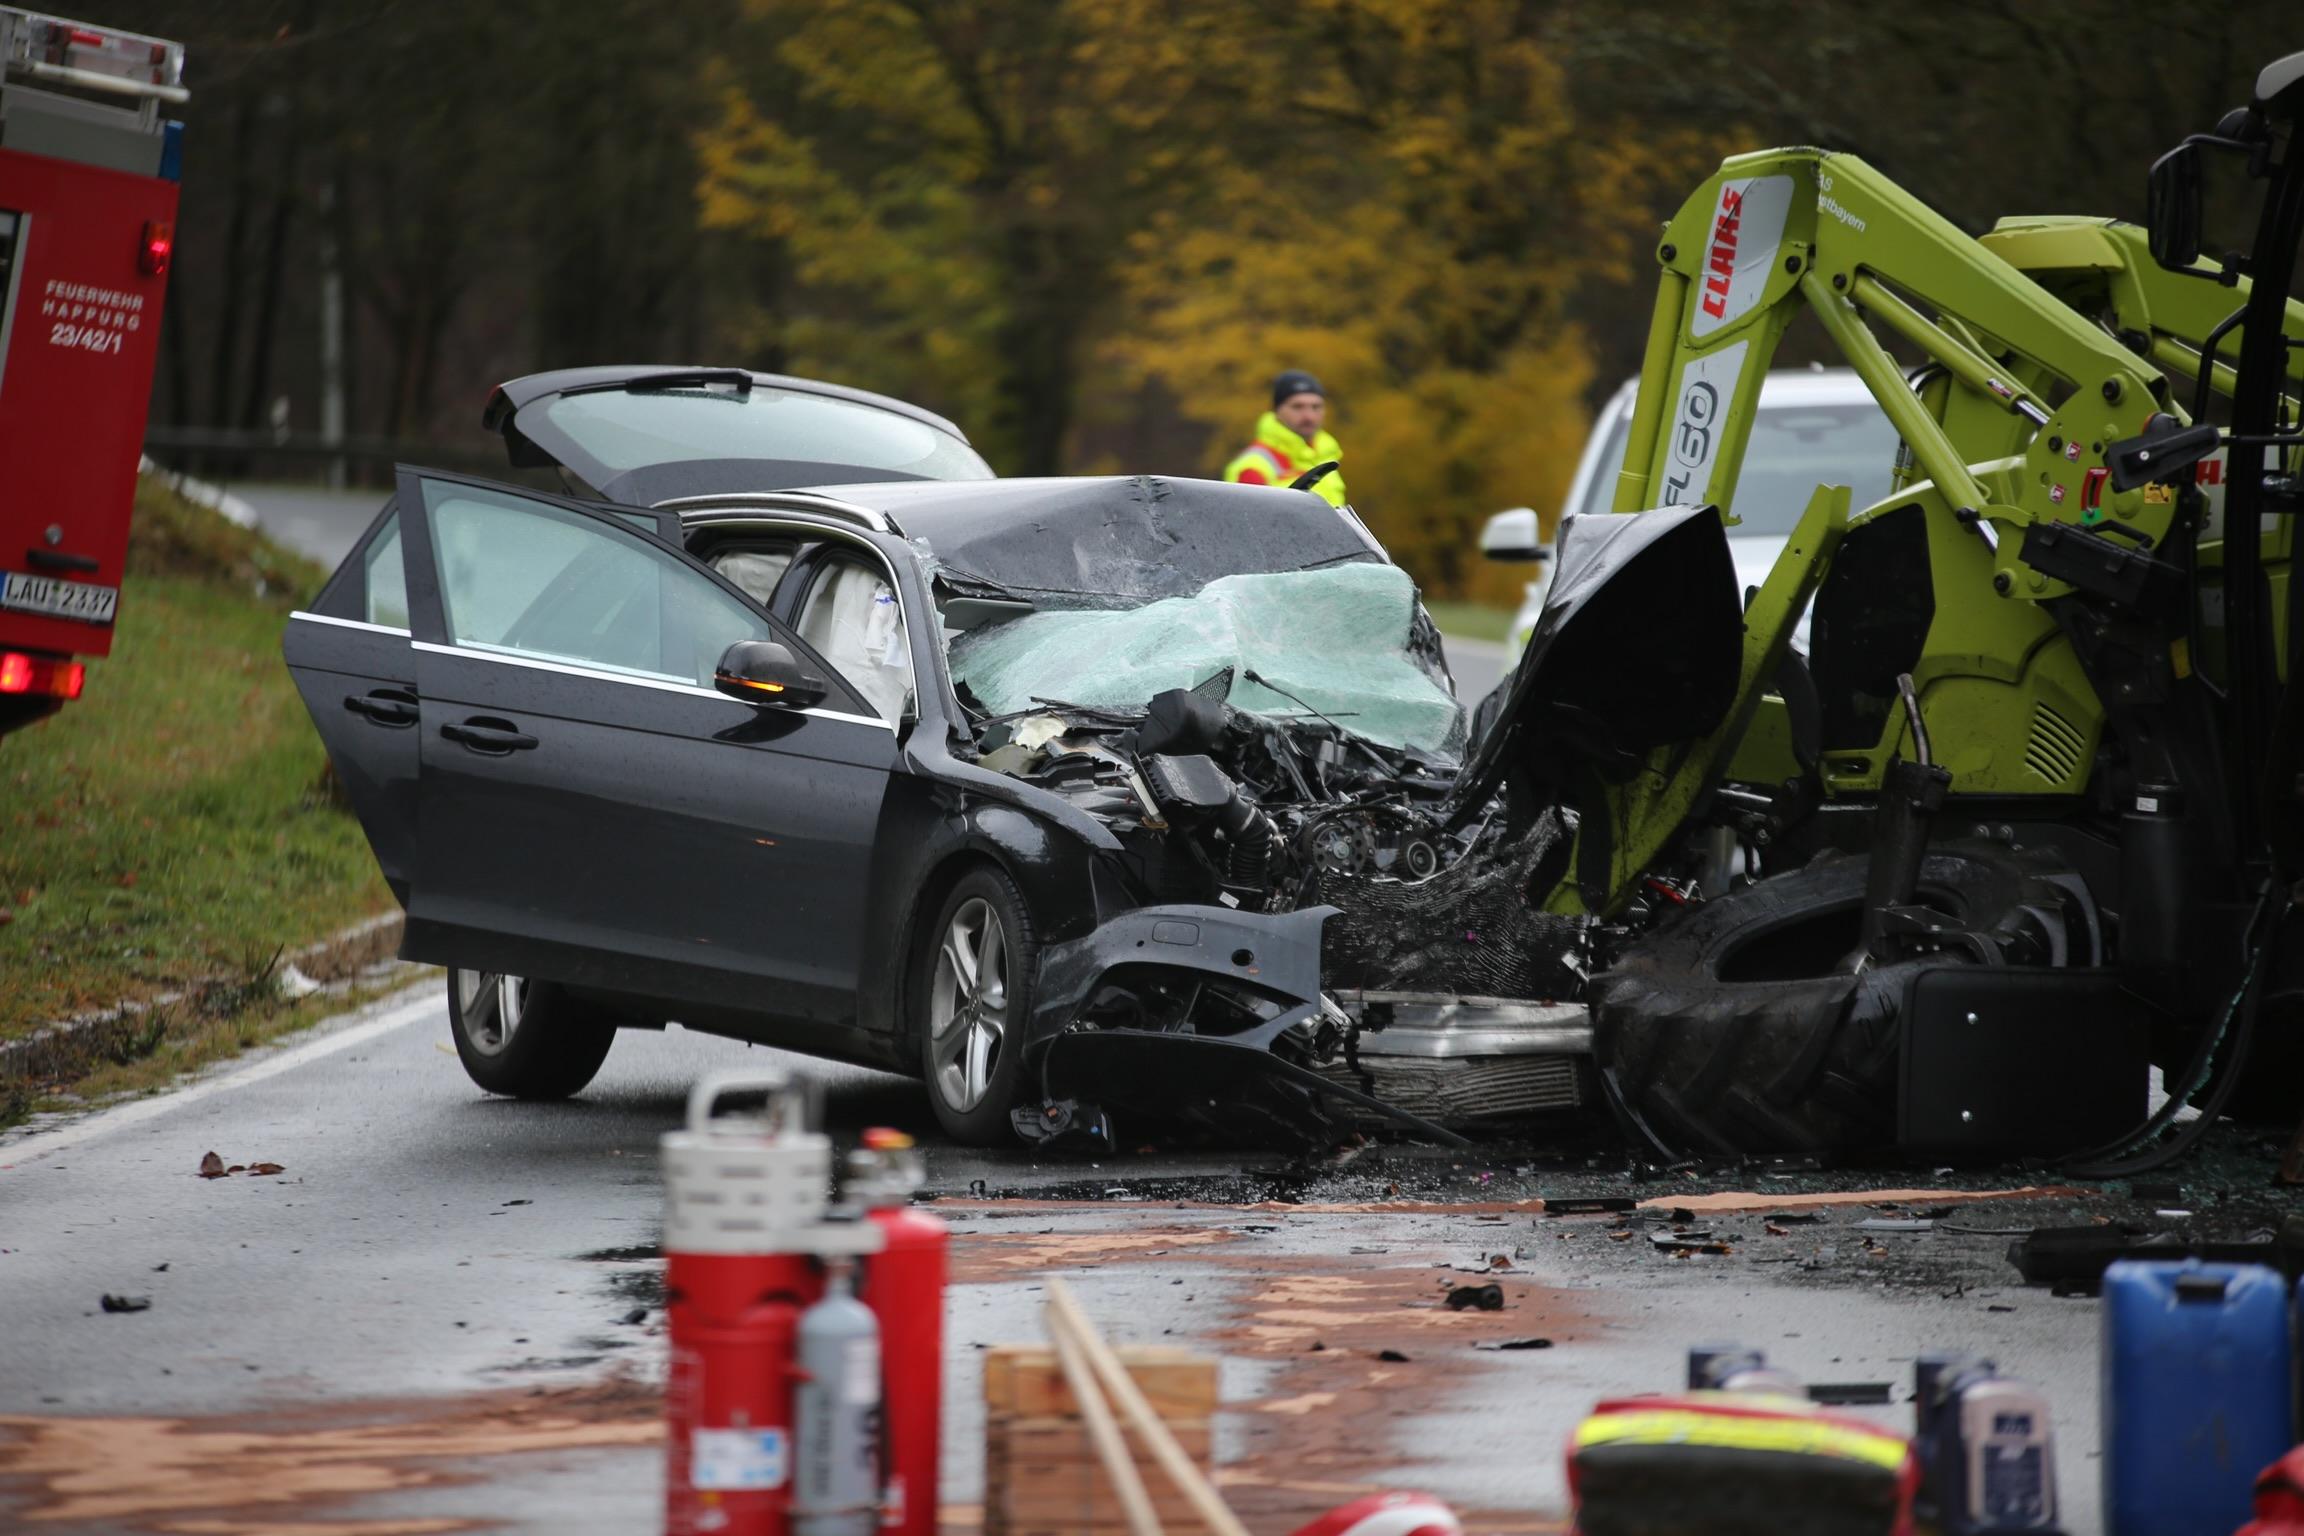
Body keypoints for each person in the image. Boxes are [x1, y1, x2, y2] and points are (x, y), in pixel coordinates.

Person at [1223, 369, 1347, 507]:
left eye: (1316, 407)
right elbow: (1251, 523)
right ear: (1277, 411)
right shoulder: (1253, 465)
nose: (1309, 416)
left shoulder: (1326, 457)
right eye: (1297, 407)